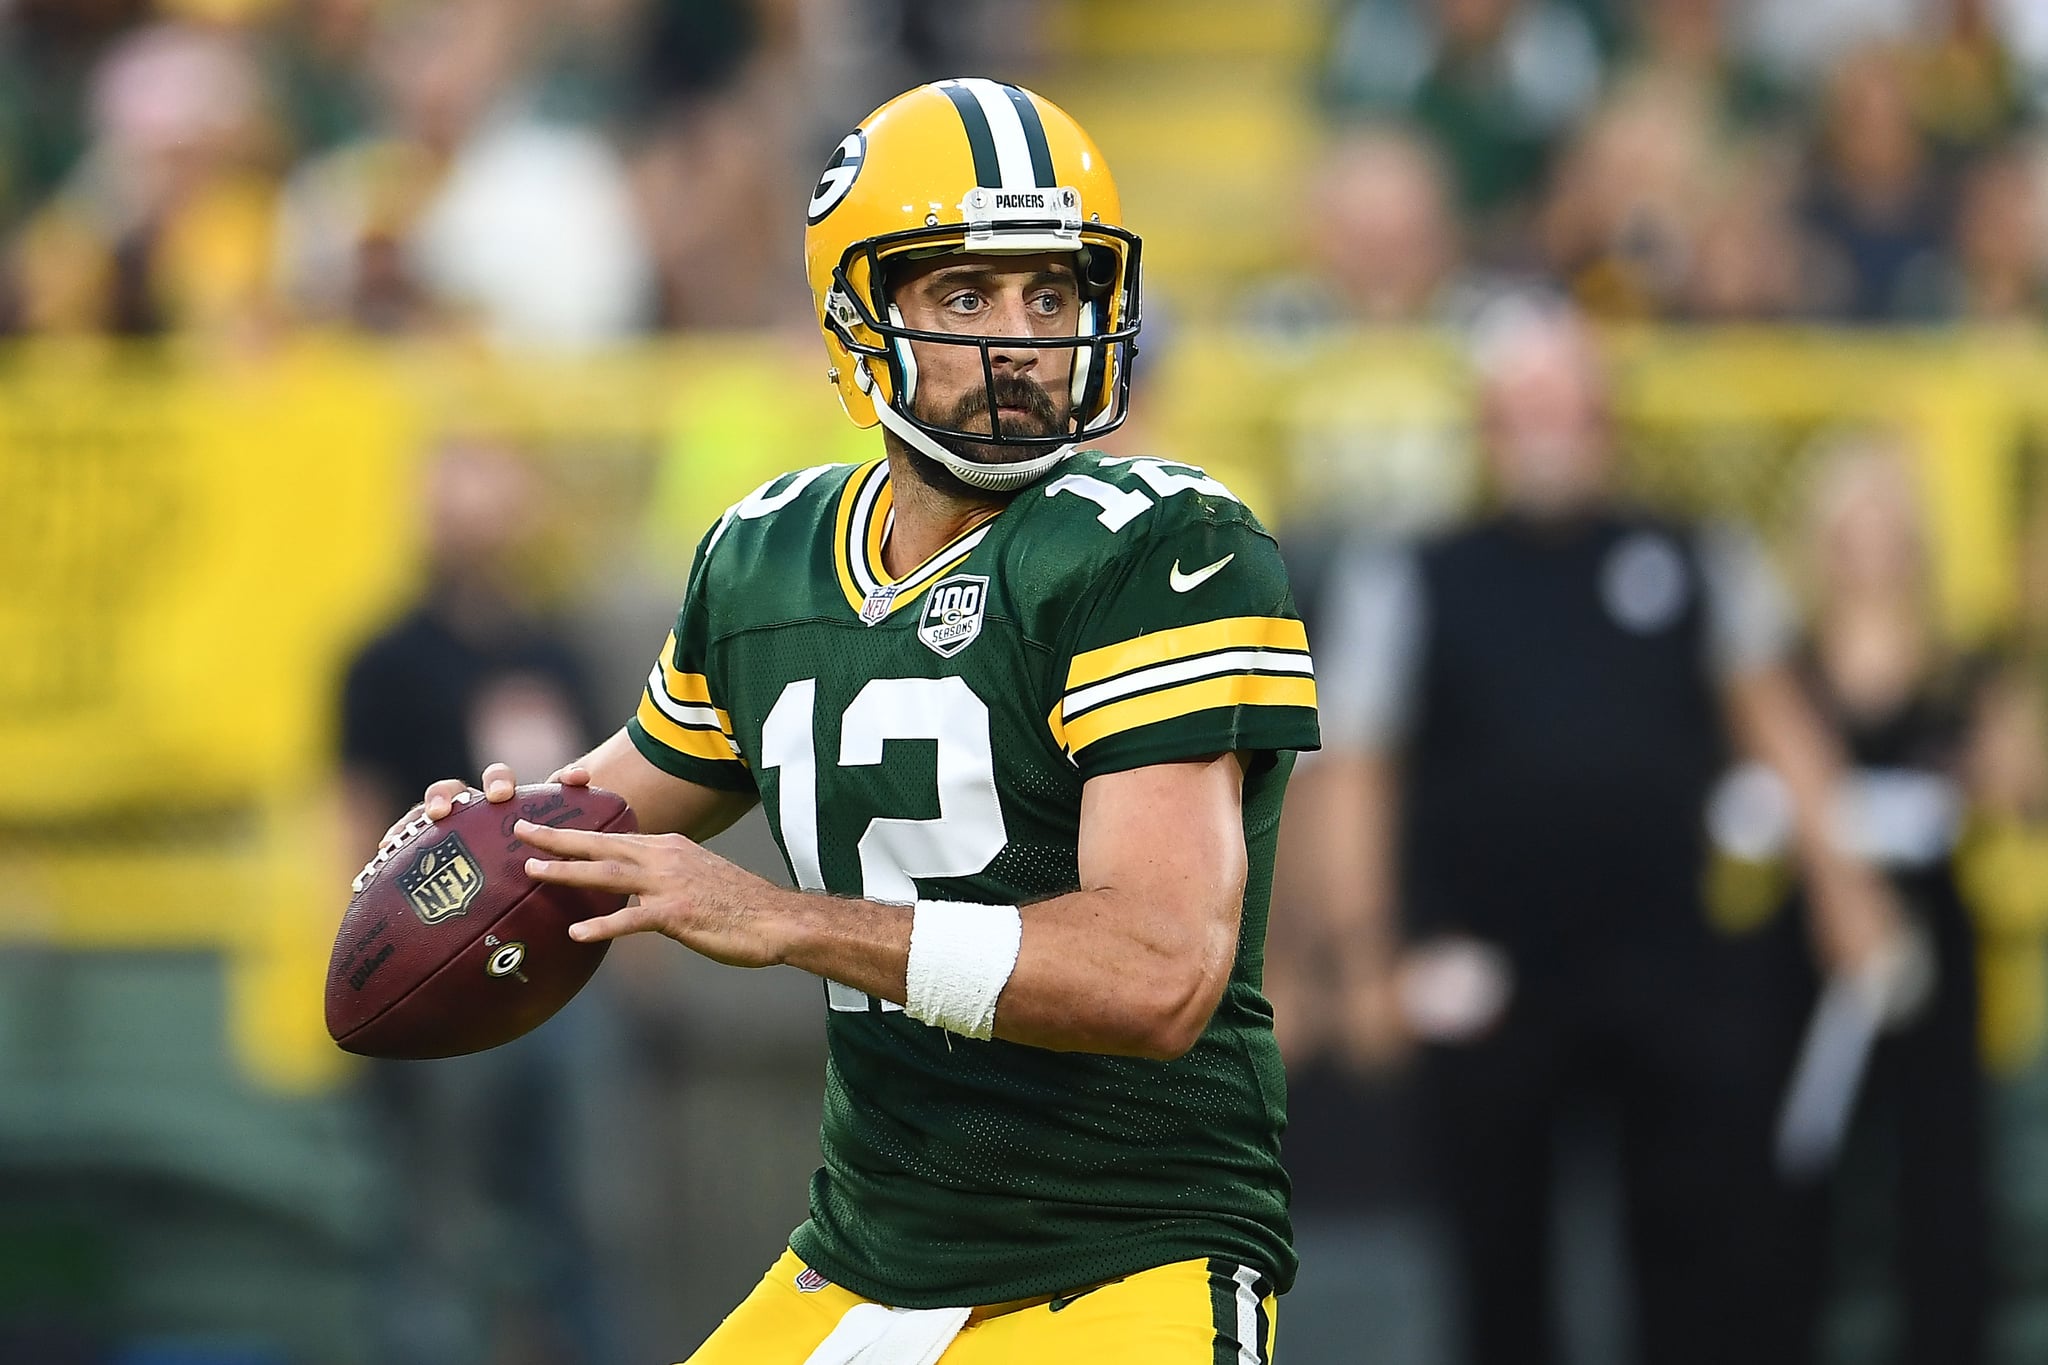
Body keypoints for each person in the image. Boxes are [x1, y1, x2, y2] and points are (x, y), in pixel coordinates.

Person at [391, 79, 1320, 1363]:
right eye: (964, 296)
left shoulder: (1163, 543)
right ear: (855, 319)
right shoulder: (766, 557)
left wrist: (780, 922)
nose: (1021, 343)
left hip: (1120, 1254)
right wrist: (489, 842)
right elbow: (599, 822)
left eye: (1051, 296)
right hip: (864, 1257)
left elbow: (1157, 971)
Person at [1301, 298, 1904, 1365]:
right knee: (1498, 1266)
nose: (1547, 429)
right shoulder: (1413, 574)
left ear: (1604, 418)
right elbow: (1354, 774)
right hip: (1481, 972)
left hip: (1665, 966)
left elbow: (1776, 723)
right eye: (1522, 406)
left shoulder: (1690, 553)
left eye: (1568, 404)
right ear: (1484, 425)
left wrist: (1843, 883)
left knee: (1699, 1255)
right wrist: (1359, 951)